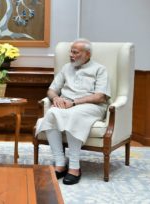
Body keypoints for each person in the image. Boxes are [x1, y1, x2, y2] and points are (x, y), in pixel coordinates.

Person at [35, 38, 110, 185]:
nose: (71, 55)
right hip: (67, 104)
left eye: (75, 52)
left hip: (90, 106)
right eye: (71, 52)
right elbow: (51, 90)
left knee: (73, 114)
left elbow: (100, 96)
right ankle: (60, 163)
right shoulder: (66, 68)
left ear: (87, 54)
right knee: (51, 112)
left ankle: (75, 167)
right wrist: (56, 98)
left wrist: (74, 102)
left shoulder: (99, 69)